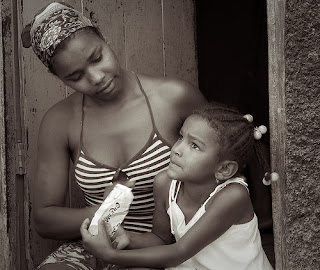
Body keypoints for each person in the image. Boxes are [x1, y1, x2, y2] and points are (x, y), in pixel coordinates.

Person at [21, 2, 207, 269]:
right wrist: (106, 209)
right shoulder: (59, 121)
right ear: (60, 79)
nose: (96, 77)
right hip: (99, 243)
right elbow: (45, 219)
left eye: (97, 58)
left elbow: (224, 177)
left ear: (104, 38)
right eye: (75, 76)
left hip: (171, 245)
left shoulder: (175, 98)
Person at [80, 102, 275, 270]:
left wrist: (109, 255)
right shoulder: (165, 183)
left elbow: (179, 252)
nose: (177, 149)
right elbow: (161, 240)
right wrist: (127, 238)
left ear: (224, 169)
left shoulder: (233, 196)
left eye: (195, 146)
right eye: (181, 137)